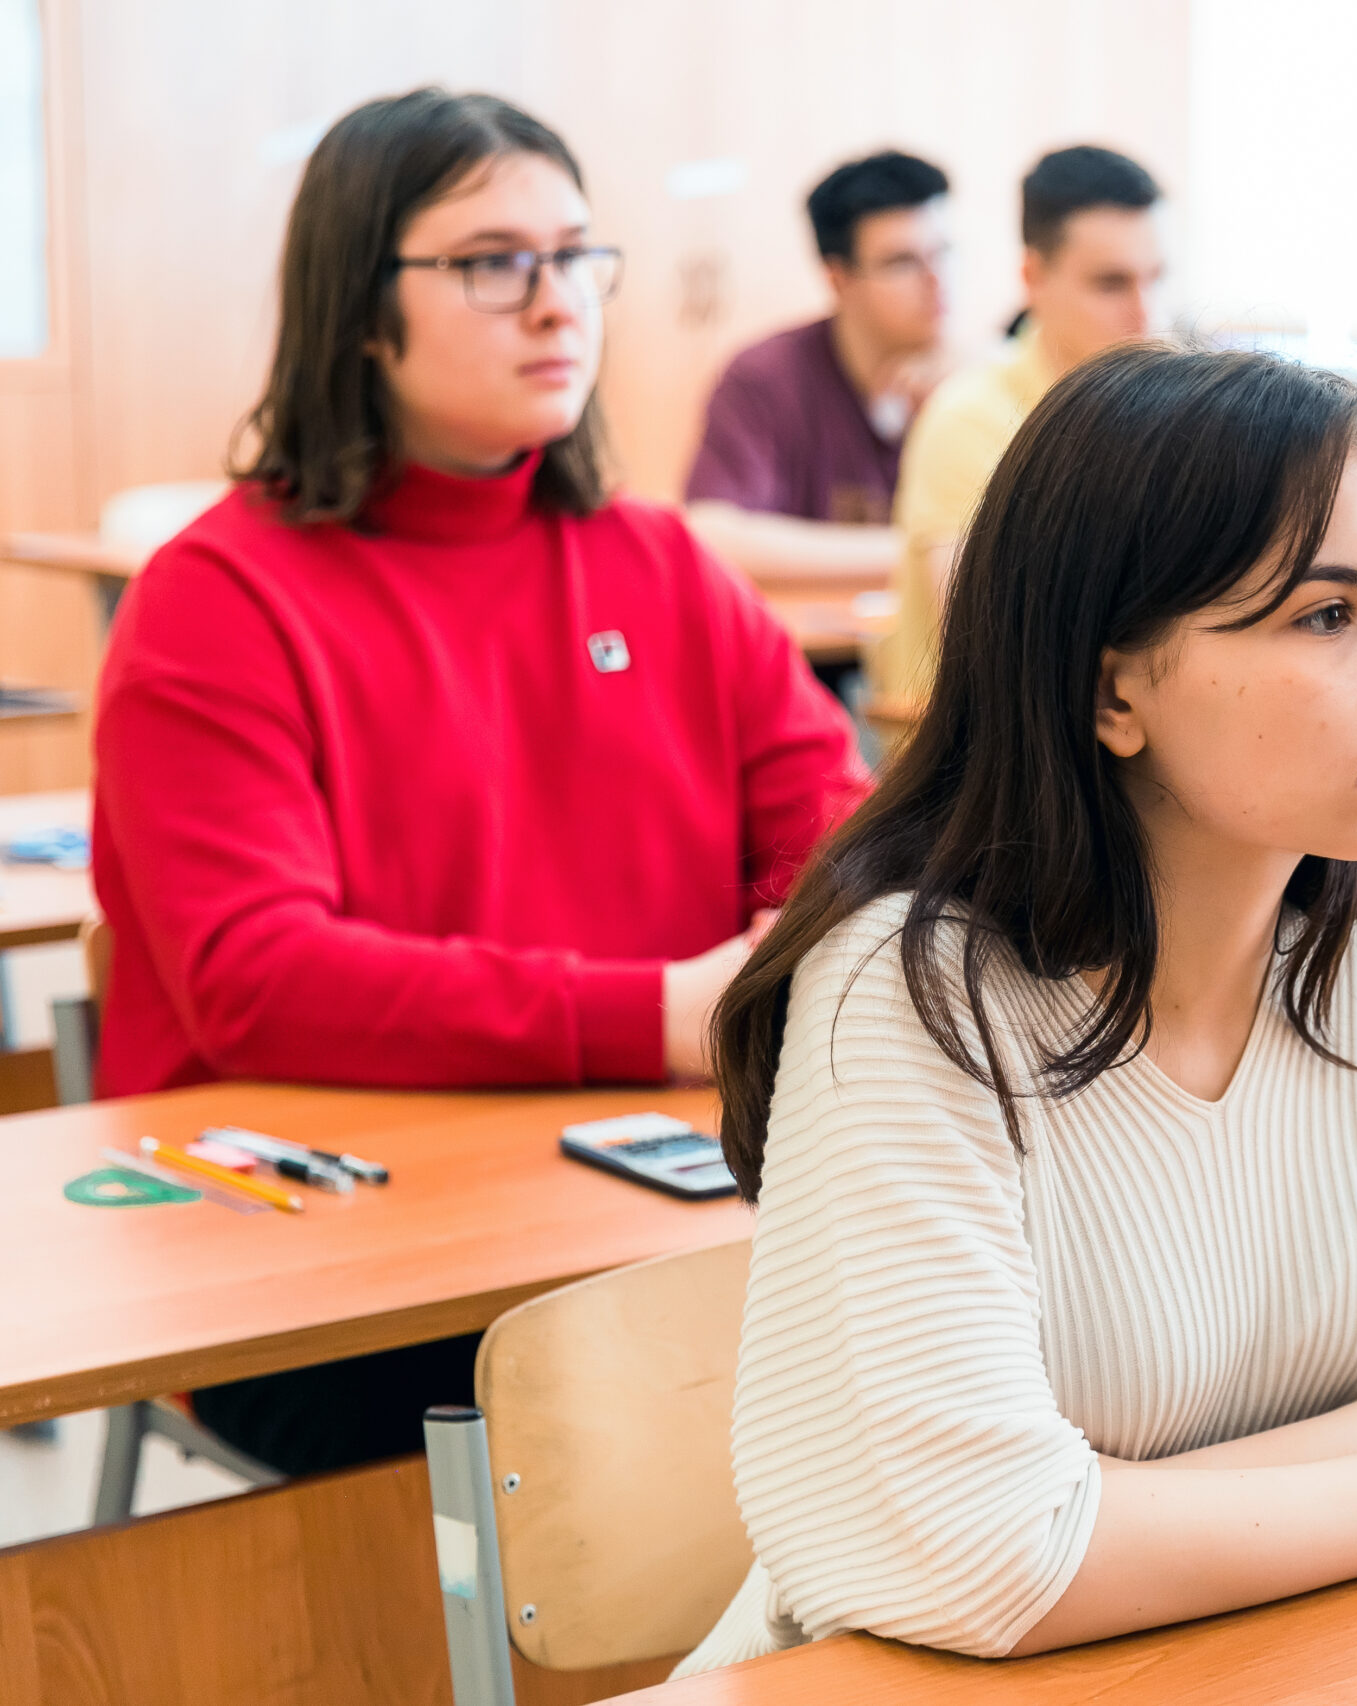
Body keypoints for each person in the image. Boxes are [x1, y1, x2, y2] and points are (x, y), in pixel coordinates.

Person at [675, 346, 1357, 1673]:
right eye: (1328, 616)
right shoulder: (906, 990)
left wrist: (1114, 1510)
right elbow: (990, 1556)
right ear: (1110, 688)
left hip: (1308, 1650)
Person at [89, 88, 870, 1472]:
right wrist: (661, 1013)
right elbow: (255, 974)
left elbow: (838, 826)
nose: (558, 302)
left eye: (578, 256)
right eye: (494, 262)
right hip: (321, 1261)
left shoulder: (657, 563)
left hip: (641, 1191)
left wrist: (787, 942)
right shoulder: (217, 596)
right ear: (357, 302)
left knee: (924, 1320)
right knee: (658, 1424)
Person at [873, 144, 1166, 705]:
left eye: (1157, 277)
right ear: (1034, 278)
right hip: (996, 757)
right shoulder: (970, 419)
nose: (1147, 313)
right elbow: (984, 644)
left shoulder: (1169, 415)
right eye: (1111, 283)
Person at [684, 150, 950, 579]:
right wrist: (920, 550)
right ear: (837, 278)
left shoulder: (980, 382)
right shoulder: (765, 377)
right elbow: (711, 533)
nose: (938, 280)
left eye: (945, 252)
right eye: (902, 262)